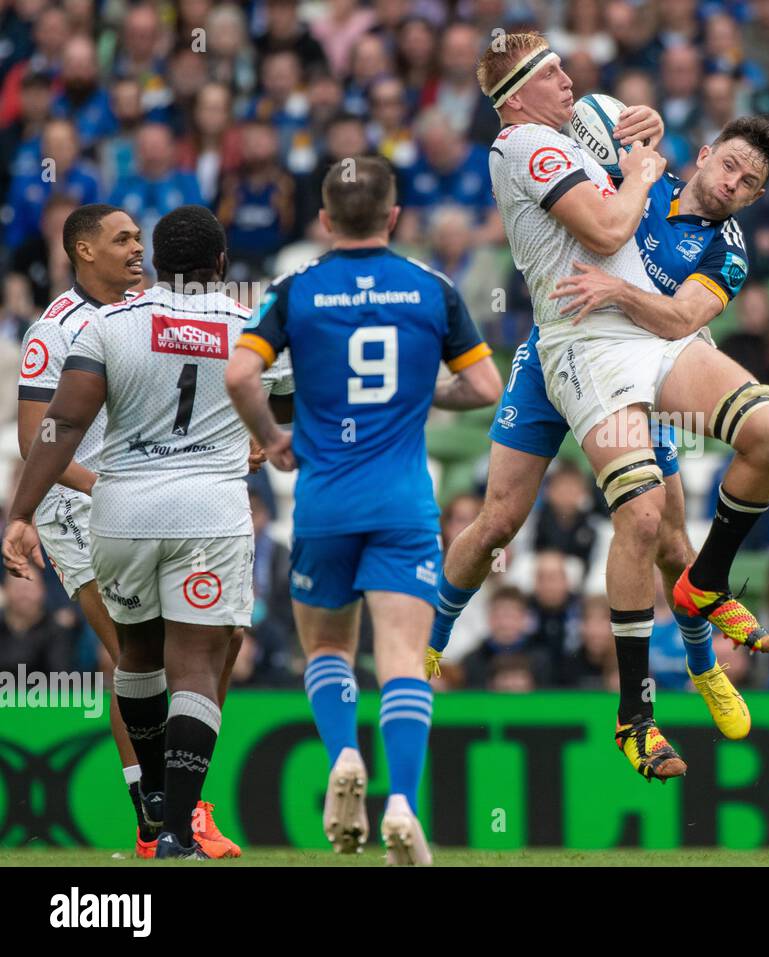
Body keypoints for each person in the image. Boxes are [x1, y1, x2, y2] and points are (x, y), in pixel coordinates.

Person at [462, 30, 769, 783]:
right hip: (586, 349)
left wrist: (620, 288)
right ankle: (639, 712)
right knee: (645, 520)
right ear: (706, 153)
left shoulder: (730, 244)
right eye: (731, 163)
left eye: (751, 182)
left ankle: (706, 603)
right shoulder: (615, 151)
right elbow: (613, 124)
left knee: (763, 448)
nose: (735, 184)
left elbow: (682, 320)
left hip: (663, 348)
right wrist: (643, 125)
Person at [225, 156, 501, 865]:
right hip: (404, 505)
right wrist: (422, 394)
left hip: (323, 503)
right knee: (404, 657)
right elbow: (485, 386)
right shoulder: (430, 289)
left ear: (323, 220)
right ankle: (403, 800)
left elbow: (239, 372)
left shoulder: (297, 289)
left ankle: (345, 754)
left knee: (327, 649)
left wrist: (271, 437)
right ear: (394, 215)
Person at [4, 206, 263, 860]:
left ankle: (180, 807)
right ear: (81, 250)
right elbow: (37, 435)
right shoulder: (56, 329)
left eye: (138, 239)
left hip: (138, 499)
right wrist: (64, 497)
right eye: (120, 240)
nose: (135, 250)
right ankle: (155, 822)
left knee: (218, 639)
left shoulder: (152, 308)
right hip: (80, 502)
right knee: (134, 650)